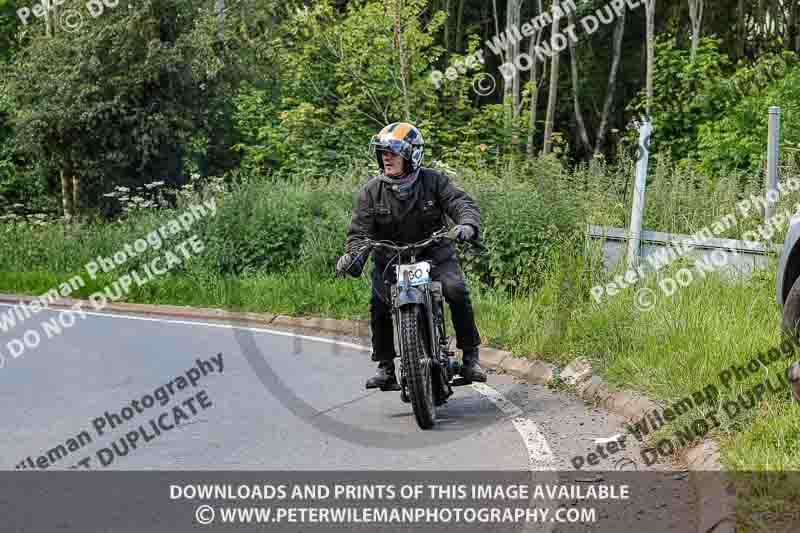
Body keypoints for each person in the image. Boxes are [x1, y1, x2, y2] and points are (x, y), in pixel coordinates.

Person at [336, 122, 487, 390]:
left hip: (434, 254)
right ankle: (385, 367)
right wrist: (354, 258)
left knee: (456, 290)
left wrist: (466, 225)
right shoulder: (371, 192)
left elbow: (460, 202)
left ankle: (471, 357)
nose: (386, 157)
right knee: (379, 303)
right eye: (383, 151)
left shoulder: (434, 181)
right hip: (390, 261)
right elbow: (358, 233)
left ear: (412, 154)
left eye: (393, 151)